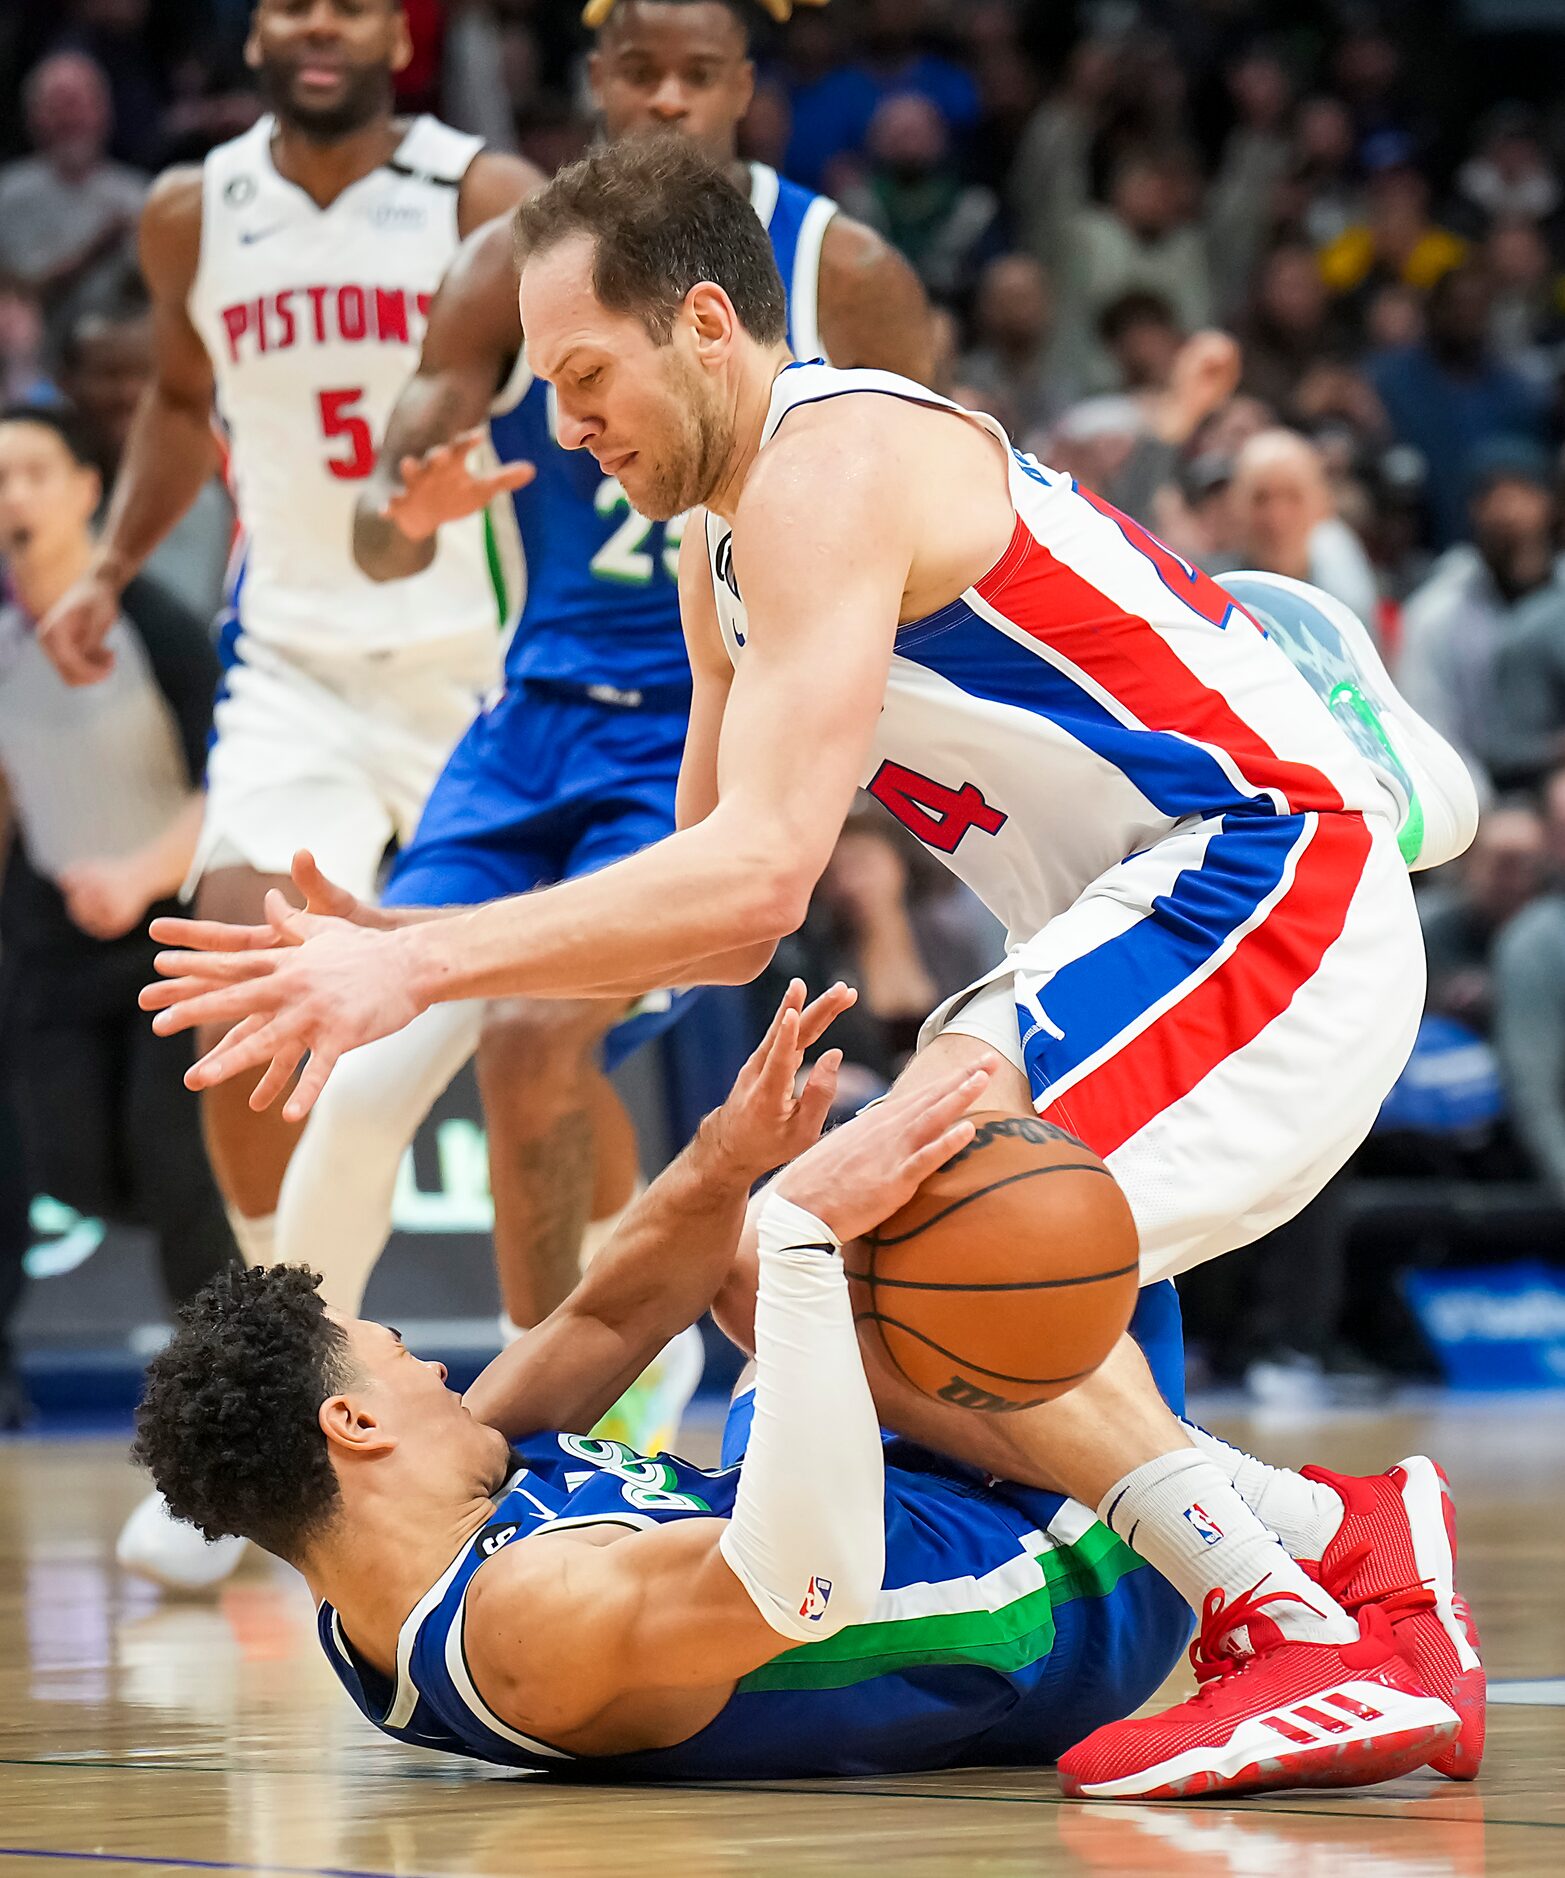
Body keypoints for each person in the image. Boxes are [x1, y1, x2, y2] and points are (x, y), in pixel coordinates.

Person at [147, 137, 1484, 1798]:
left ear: (707, 320)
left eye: (581, 375)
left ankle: (1304, 1631)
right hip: (1126, 905)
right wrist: (423, 941)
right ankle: (1337, 1547)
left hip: (1256, 870)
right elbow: (719, 903)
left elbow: (768, 863)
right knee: (806, 1240)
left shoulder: (827, 460)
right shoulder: (725, 551)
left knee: (909, 1217)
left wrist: (410, 967)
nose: (565, 428)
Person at [133, 984, 1459, 1789]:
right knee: (977, 1095)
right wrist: (814, 1238)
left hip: (919, 1496)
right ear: (352, 1424)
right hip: (1053, 1600)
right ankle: (1287, 1576)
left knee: (760, 1237)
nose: (431, 1365)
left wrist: (728, 1153)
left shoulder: (401, 1541)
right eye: (398, 1360)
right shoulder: (529, 1619)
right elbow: (802, 1578)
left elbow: (606, 1307)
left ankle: (1306, 1526)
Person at [269, 0, 935, 1456]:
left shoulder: (842, 267)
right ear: (594, 82)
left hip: (705, 732)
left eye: (701, 75)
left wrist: (865, 784)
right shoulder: (518, 267)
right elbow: (381, 530)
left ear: (747, 90)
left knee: (525, 1037)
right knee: (359, 1067)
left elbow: (923, 542)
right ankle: (274, 1421)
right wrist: (407, 518)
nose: (669, 101)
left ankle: (543, 1427)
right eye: (640, 71)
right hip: (528, 723)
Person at [37, 0, 537, 1587]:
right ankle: (286, 1403)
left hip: (486, 666)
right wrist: (114, 561)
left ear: (398, 29)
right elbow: (183, 405)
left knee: (540, 1048)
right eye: (288, 1)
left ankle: (572, 1379)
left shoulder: (483, 194)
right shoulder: (194, 206)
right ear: (252, 29)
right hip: (302, 667)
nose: (317, 23)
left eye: (348, 1)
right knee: (239, 989)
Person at [0, 404, 237, 1387]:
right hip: (52, 949)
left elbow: (233, 781)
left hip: (169, 941)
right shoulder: (7, 640)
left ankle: (224, 1396)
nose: (12, 498)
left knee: (178, 1177)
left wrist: (140, 876)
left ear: (89, 491)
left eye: (32, 475)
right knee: (71, 1171)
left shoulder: (159, 628)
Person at [1396, 436, 1563, 780]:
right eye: (1492, 495)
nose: (1507, 509)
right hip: (1480, 799)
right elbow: (1426, 730)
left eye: (1521, 491)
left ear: (1550, 503)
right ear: (1472, 509)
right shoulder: (1435, 613)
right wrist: (1480, 811)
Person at [0, 53, 146, 327]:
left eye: (79, 104)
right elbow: (19, 296)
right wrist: (92, 254)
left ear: (104, 111)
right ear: (32, 116)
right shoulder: (8, 198)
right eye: (56, 106)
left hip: (117, 357)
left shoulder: (140, 196)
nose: (70, 118)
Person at [1229, 428, 1381, 632]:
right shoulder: (1219, 593)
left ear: (1321, 506)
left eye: (1293, 497)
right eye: (1261, 498)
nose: (1277, 516)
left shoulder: (1343, 606)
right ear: (1237, 506)